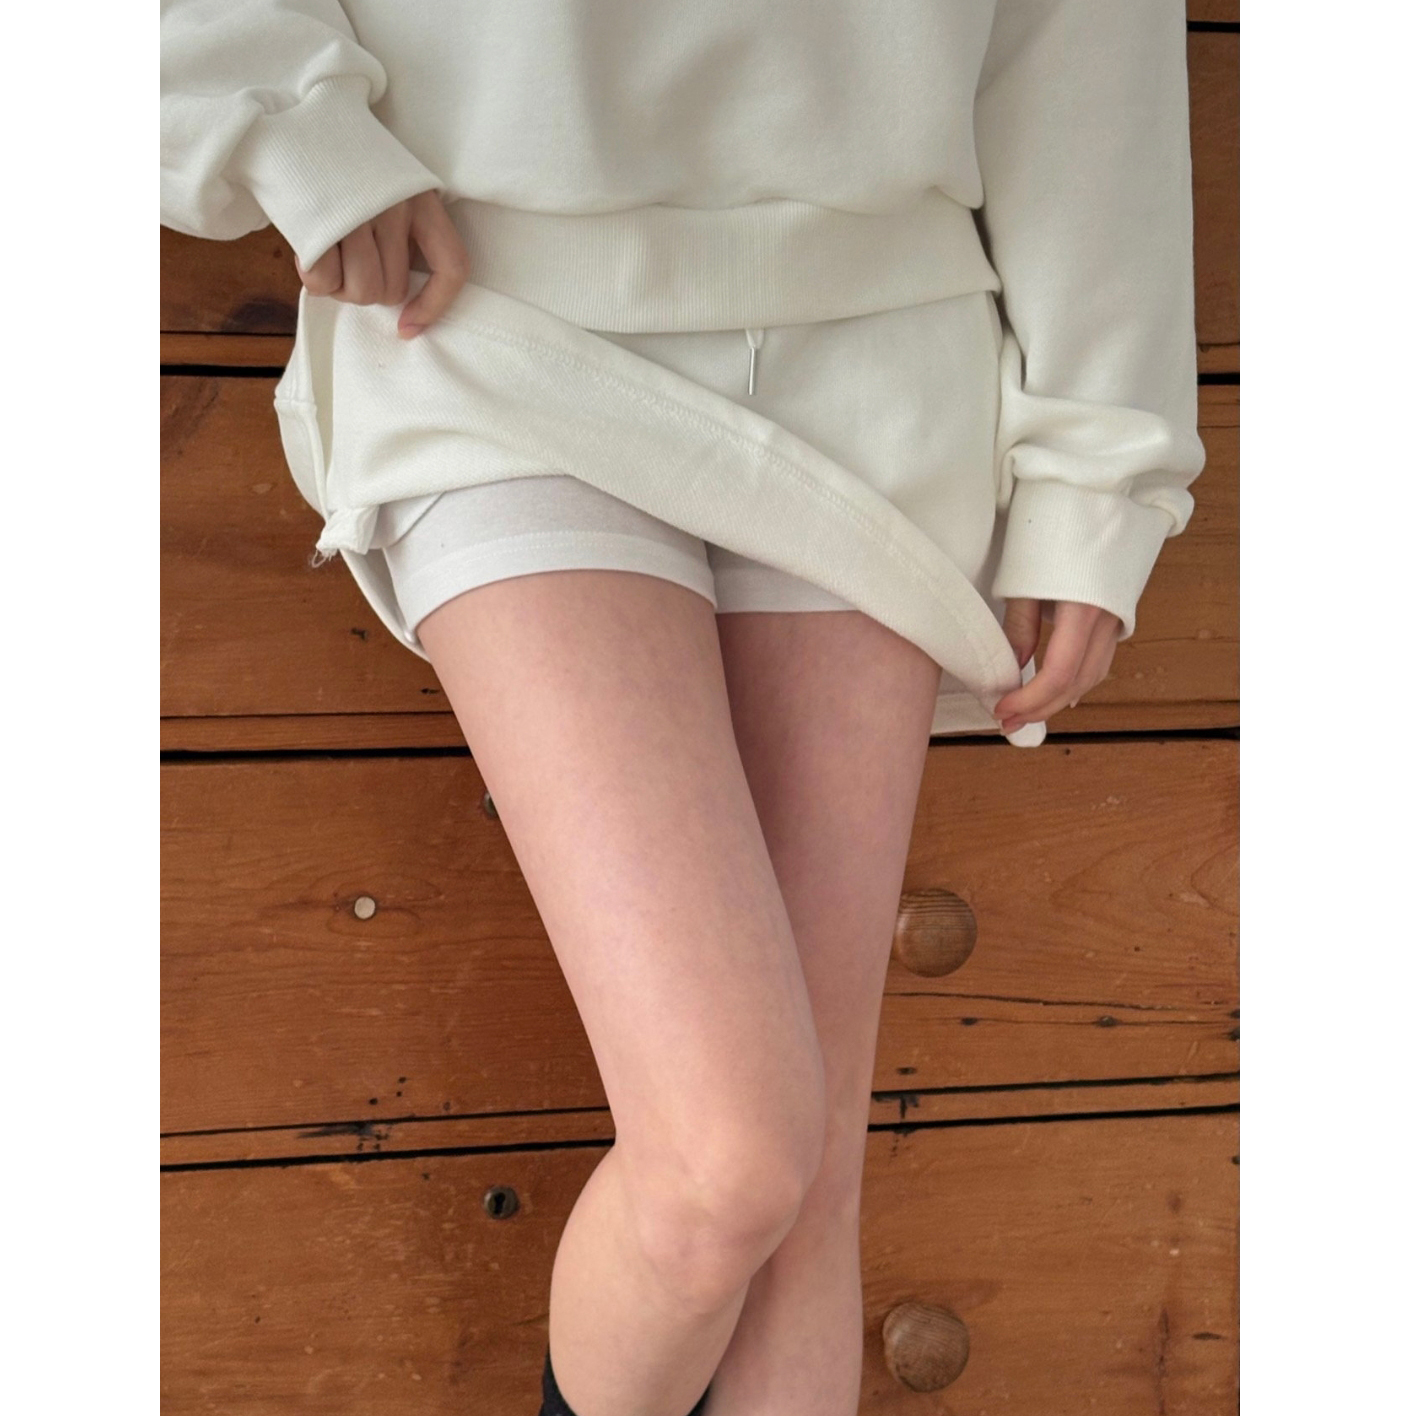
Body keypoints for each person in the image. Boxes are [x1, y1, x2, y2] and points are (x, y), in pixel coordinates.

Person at [161, 4, 1206, 1412]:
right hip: (484, 316)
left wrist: (1098, 478)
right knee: (731, 1161)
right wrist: (288, 128)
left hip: (882, 352)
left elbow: (1088, 50)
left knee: (805, 1191)